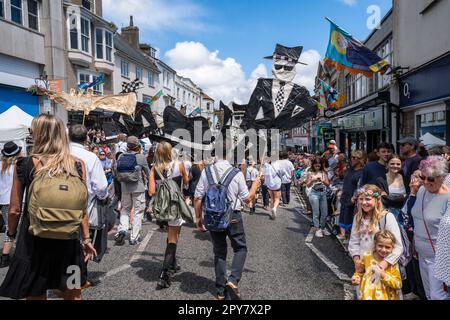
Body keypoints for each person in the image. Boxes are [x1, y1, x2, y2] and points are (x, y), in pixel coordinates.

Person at [0, 114, 96, 300]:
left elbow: (14, 209)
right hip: (69, 240)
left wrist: (10, 235)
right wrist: (86, 238)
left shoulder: (26, 163)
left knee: (35, 293)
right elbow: (81, 205)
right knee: (73, 292)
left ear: (38, 135)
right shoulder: (77, 164)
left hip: (33, 241)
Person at [194, 139, 261, 300]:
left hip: (213, 216)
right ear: (230, 154)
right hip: (233, 217)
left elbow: (197, 197)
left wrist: (198, 218)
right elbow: (247, 199)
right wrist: (255, 185)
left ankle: (220, 292)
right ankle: (232, 280)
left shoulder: (206, 172)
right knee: (240, 248)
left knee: (219, 252)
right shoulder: (236, 173)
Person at [148, 142, 191, 289]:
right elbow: (186, 182)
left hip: (161, 208)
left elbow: (151, 192)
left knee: (171, 236)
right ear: (170, 152)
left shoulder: (154, 169)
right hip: (174, 206)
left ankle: (173, 262)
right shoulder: (179, 166)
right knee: (174, 238)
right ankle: (164, 273)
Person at [349, 185, 403, 292]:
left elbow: (398, 246)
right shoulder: (358, 217)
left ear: (377, 200)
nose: (364, 202)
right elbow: (354, 241)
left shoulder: (386, 217)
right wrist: (356, 260)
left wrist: (384, 264)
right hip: (364, 266)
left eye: (368, 199)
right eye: (361, 199)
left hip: (383, 267)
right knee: (365, 294)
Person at [410, 156, 450, 300]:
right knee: (428, 294)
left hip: (439, 256)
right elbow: (417, 218)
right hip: (421, 252)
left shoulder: (448, 198)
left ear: (442, 177)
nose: (426, 182)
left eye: (431, 179)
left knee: (438, 295)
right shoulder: (422, 191)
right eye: (423, 177)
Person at [114, 136, 150, 246]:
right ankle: (134, 237)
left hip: (125, 187)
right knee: (138, 211)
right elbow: (148, 173)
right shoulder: (141, 157)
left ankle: (122, 229)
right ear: (137, 145)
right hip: (138, 187)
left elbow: (115, 171)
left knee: (125, 209)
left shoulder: (120, 156)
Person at [352, 230, 403, 300]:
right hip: (367, 296)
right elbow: (360, 272)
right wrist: (356, 278)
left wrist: (383, 275)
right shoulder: (367, 256)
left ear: (392, 248)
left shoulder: (392, 263)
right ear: (375, 244)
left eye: (387, 247)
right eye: (380, 246)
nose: (383, 250)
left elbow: (398, 284)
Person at [0, 142, 22, 268]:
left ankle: (5, 256)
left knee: (10, 228)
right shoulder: (18, 166)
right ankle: (11, 256)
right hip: (17, 199)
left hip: (3, 201)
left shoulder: (1, 165)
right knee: (18, 228)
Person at [338, 150, 367, 241]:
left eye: (355, 158)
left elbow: (361, 187)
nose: (352, 159)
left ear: (361, 159)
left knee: (352, 218)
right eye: (352, 157)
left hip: (353, 198)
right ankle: (343, 235)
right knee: (343, 215)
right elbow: (344, 180)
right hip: (345, 195)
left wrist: (354, 197)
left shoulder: (363, 172)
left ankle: (352, 239)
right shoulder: (350, 169)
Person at [376, 155, 408, 221]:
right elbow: (384, 200)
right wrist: (403, 197)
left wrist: (390, 197)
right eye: (392, 164)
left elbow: (408, 197)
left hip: (404, 214)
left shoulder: (406, 178)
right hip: (387, 214)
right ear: (387, 165)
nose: (395, 166)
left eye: (398, 164)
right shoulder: (380, 180)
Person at [306, 157, 331, 238]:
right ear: (313, 165)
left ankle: (322, 228)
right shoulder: (310, 172)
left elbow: (328, 184)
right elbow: (308, 185)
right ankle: (317, 229)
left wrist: (322, 180)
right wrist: (313, 180)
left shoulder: (324, 172)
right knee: (316, 213)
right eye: (316, 164)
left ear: (321, 165)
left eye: (319, 164)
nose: (317, 166)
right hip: (314, 194)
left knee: (324, 213)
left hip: (323, 193)